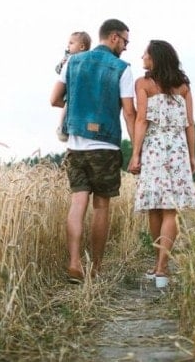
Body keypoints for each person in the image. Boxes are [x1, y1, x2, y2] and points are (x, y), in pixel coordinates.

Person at [50, 19, 136, 284]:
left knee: (77, 204)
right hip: (106, 147)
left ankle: (74, 263)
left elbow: (54, 99)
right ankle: (95, 269)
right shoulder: (122, 68)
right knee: (101, 207)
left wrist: (77, 102)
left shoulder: (72, 63)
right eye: (125, 41)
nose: (125, 47)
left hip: (75, 146)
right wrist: (136, 151)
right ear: (113, 37)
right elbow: (129, 112)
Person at [127, 40, 195, 288]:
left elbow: (141, 121)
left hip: (154, 148)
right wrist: (191, 155)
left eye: (146, 53)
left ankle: (161, 268)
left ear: (155, 58)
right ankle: (161, 266)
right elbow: (190, 123)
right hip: (177, 148)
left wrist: (135, 154)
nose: (142, 56)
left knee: (156, 207)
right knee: (169, 209)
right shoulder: (184, 87)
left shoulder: (144, 84)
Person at [54, 31, 92, 142]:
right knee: (67, 105)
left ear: (81, 46)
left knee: (70, 106)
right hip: (70, 89)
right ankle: (62, 126)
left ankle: (64, 126)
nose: (68, 46)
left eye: (71, 43)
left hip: (78, 89)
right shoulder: (68, 58)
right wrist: (62, 64)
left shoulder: (86, 59)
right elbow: (58, 70)